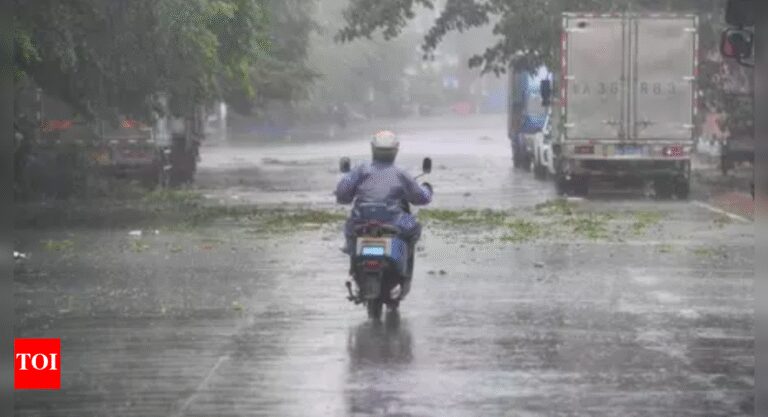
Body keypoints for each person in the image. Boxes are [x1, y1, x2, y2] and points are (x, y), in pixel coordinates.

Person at [335, 130, 433, 278]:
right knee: (415, 228)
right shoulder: (401, 173)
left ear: (373, 149)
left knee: (349, 230)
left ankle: (352, 255)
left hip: (360, 222)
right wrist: (427, 189)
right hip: (395, 222)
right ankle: (405, 268)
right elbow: (421, 197)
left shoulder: (360, 170)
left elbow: (342, 194)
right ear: (395, 150)